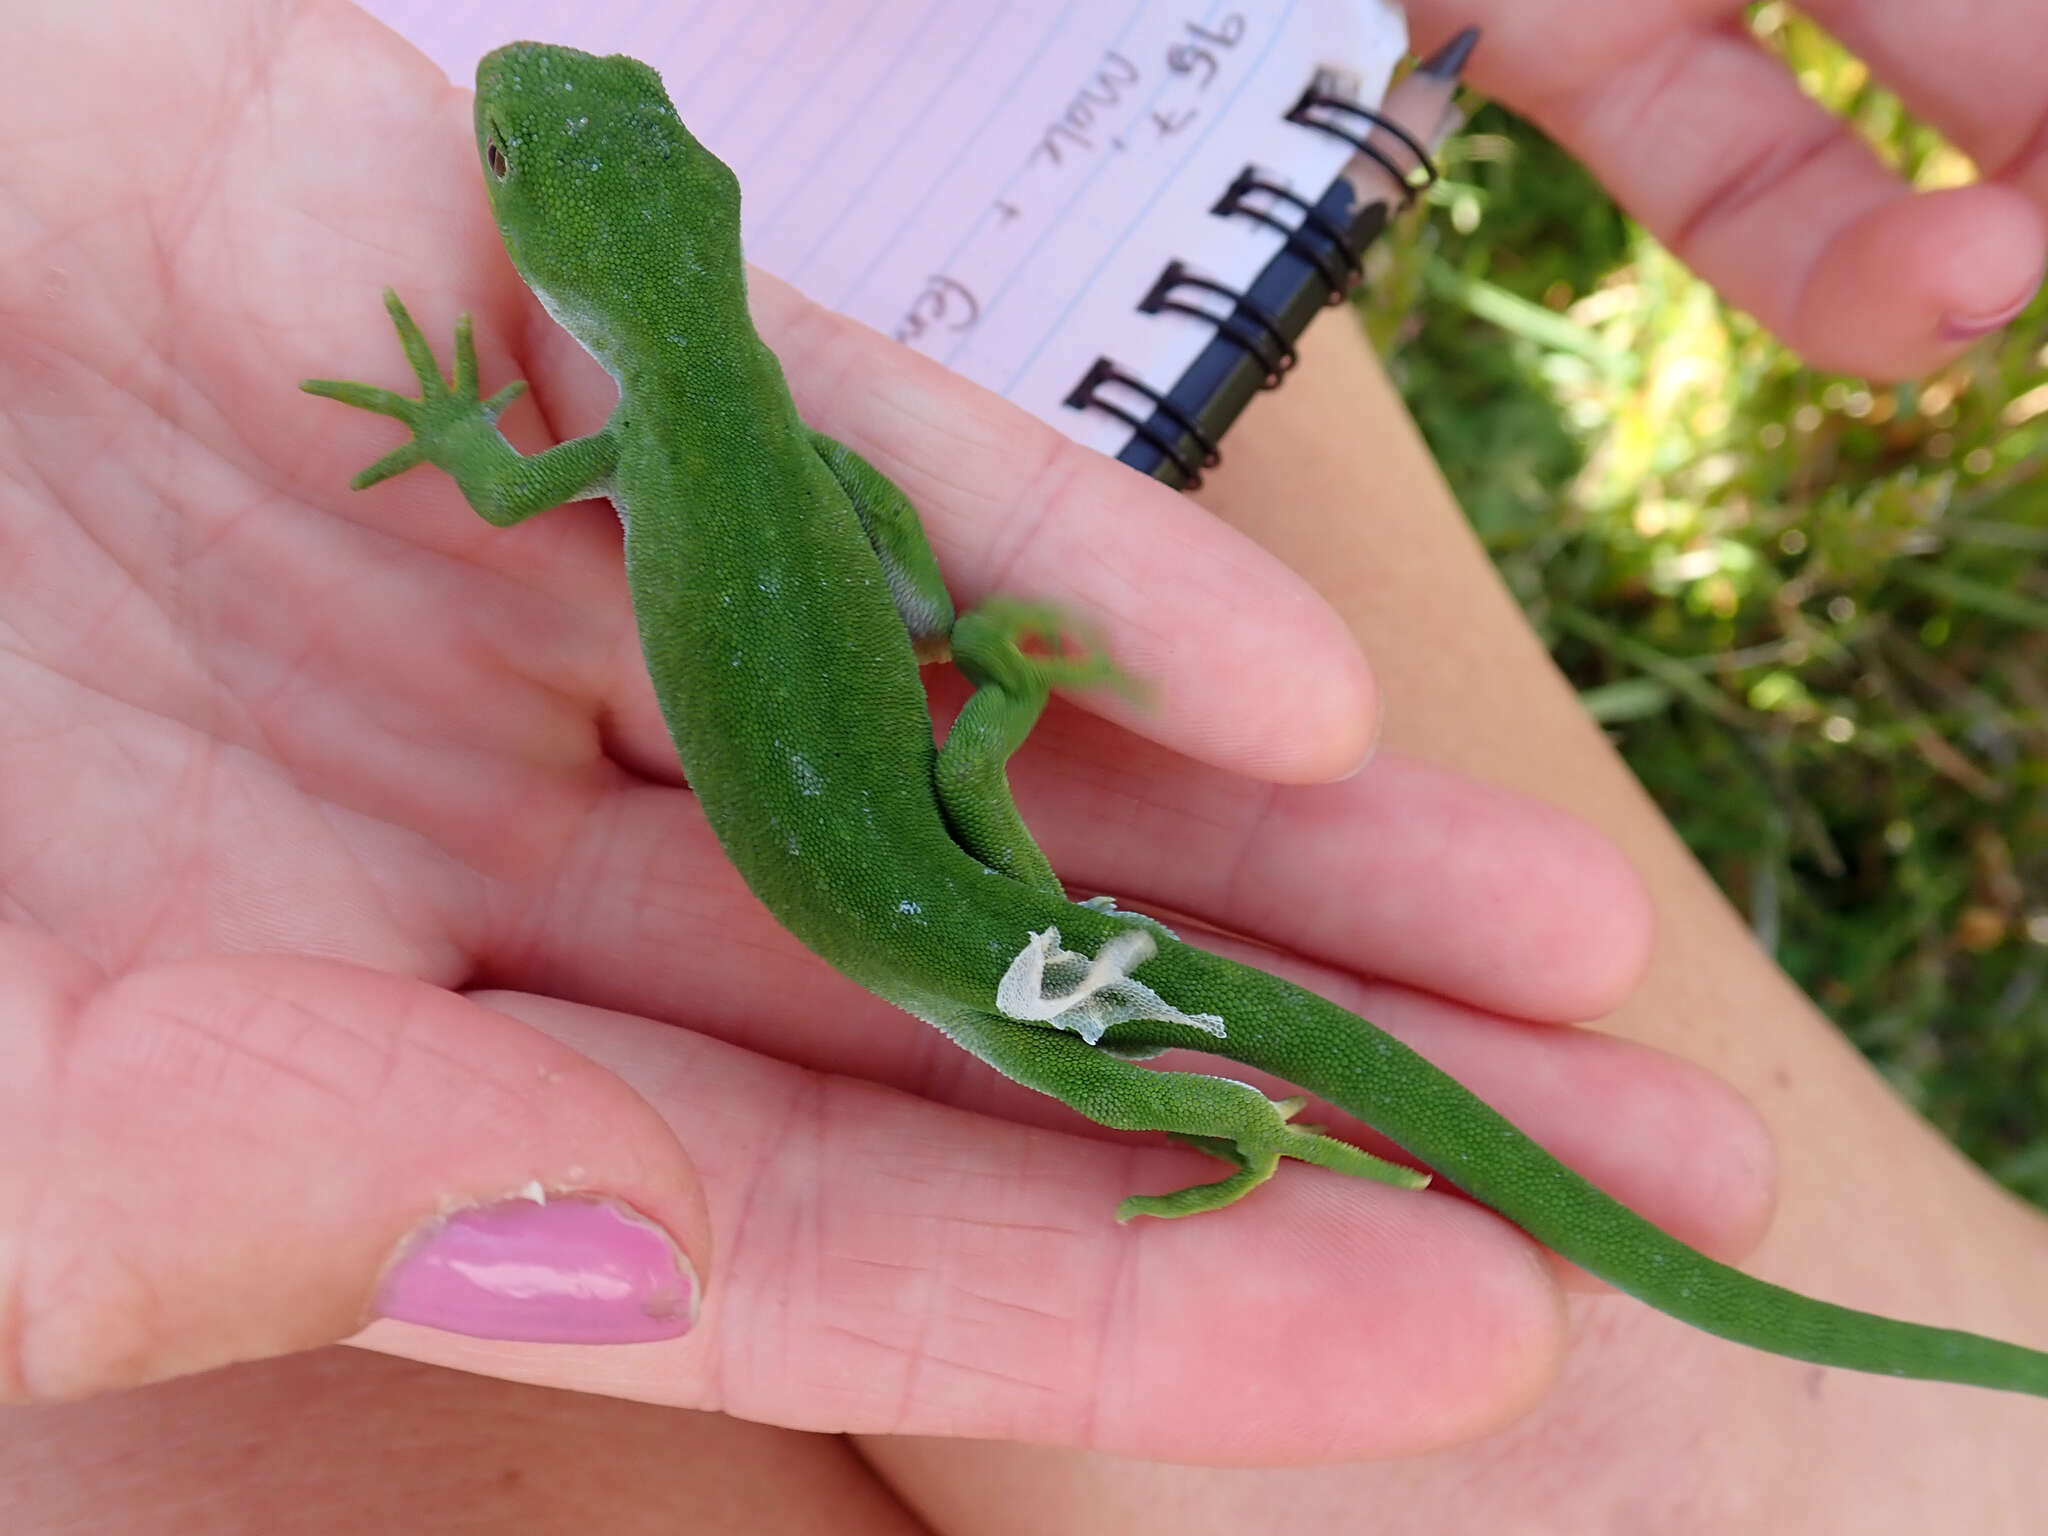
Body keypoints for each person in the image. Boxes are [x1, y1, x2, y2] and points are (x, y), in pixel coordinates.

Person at [2, 0, 2043, 1529]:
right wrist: (971, 670)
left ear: (649, 238)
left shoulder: (624, 433)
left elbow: (520, 478)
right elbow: (879, 539)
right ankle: (1261, 1126)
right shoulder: (741, 411)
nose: (520, 132)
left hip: (946, 907)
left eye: (527, 166)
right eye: (529, 156)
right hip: (929, 858)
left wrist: (465, 439)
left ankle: (1254, 1130)